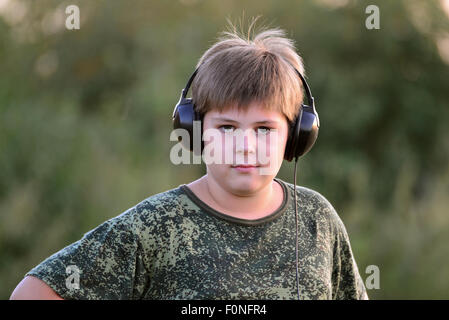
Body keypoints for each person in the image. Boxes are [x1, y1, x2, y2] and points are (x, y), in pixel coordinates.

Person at [10, 21, 368, 300]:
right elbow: (34, 292)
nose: (245, 146)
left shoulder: (317, 220)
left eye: (264, 129)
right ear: (195, 131)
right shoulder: (156, 225)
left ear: (295, 134)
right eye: (227, 127)